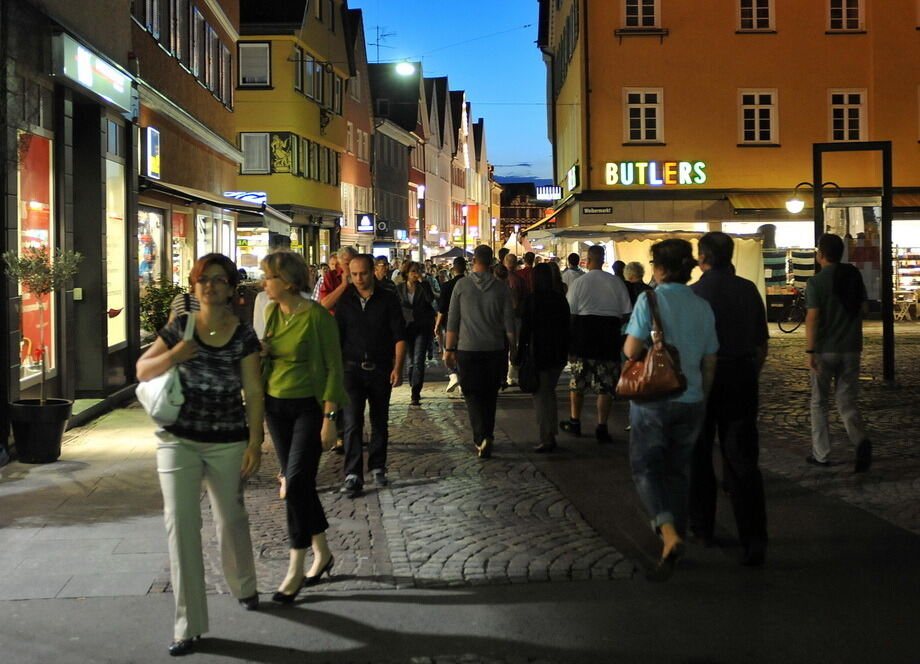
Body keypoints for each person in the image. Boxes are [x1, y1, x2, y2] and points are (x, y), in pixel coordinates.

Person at [136, 254, 263, 656]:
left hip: (227, 440)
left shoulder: (243, 336)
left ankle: (243, 583)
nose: (210, 286)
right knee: (181, 526)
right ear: (194, 287)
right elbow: (142, 370)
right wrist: (174, 355)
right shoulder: (181, 327)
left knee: (232, 518)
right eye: (203, 280)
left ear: (230, 289)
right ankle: (187, 625)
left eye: (218, 280)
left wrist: (255, 442)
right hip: (178, 441)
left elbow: (254, 391)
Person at [623, 239, 718, 582]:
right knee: (679, 470)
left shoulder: (650, 300)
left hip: (654, 399)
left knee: (646, 467)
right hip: (691, 398)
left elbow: (631, 348)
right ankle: (675, 532)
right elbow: (710, 359)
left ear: (660, 268)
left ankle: (668, 533)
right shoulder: (702, 305)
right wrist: (702, 397)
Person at [260, 251, 347, 604]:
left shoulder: (316, 317)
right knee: (298, 484)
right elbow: (268, 351)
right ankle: (322, 551)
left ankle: (296, 567)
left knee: (295, 482)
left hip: (309, 408)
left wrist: (330, 419)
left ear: (289, 282)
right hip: (275, 407)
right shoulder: (271, 313)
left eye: (268, 277)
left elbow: (333, 368)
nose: (264, 282)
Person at [689, 232, 769, 566]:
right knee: (742, 458)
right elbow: (762, 343)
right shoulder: (748, 290)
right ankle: (753, 537)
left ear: (702, 258)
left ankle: (703, 526)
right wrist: (750, 372)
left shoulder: (694, 295)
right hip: (740, 376)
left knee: (700, 455)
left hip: (702, 382)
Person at [335, 254, 406, 496]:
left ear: (372, 271)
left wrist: (398, 367)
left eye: (363, 273)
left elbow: (399, 335)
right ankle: (353, 473)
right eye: (353, 274)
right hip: (351, 368)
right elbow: (338, 337)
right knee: (352, 421)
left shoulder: (387, 299)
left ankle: (377, 466)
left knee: (379, 420)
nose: (359, 279)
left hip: (380, 368)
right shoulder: (345, 300)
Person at [805, 233, 871, 472]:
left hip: (825, 349)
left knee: (819, 403)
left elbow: (812, 317)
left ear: (821, 254)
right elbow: (863, 307)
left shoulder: (816, 282)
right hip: (851, 347)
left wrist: (810, 350)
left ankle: (821, 454)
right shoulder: (853, 275)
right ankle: (860, 440)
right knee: (846, 400)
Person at [444, 244, 516, 458]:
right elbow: (509, 323)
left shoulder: (462, 286)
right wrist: (513, 349)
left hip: (468, 349)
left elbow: (453, 321)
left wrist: (448, 349)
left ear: (473, 260)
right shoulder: (501, 288)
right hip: (494, 348)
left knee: (472, 394)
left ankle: (480, 437)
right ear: (492, 261)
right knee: (490, 394)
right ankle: (489, 434)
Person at [559, 245, 632, 443]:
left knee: (578, 382)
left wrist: (570, 343)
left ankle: (575, 421)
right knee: (606, 385)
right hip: (608, 337)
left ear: (588, 260)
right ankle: (602, 425)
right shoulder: (616, 282)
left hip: (583, 335)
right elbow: (626, 312)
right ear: (603, 259)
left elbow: (570, 314)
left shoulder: (580, 283)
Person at [517, 263, 570, 452]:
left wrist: (518, 355)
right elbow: (567, 326)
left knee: (542, 396)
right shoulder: (559, 299)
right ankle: (550, 434)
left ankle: (547, 437)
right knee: (549, 393)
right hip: (557, 353)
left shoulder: (532, 300)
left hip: (539, 353)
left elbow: (525, 330)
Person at [396, 261, 438, 405]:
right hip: (406, 327)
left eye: (418, 271)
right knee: (410, 360)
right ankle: (413, 383)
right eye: (413, 271)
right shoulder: (399, 289)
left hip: (422, 326)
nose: (415, 274)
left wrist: (424, 282)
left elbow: (430, 299)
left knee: (418, 359)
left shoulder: (423, 286)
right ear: (406, 273)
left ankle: (416, 392)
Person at [435, 257, 467, 392]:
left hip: (450, 322)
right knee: (463, 351)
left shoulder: (447, 286)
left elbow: (442, 308)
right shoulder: (469, 284)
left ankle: (453, 375)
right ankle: (462, 381)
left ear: (453, 269)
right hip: (466, 322)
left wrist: (437, 324)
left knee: (449, 350)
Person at [320, 246, 358, 313]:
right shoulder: (331, 276)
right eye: (347, 264)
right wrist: (343, 285)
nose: (351, 266)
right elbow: (324, 305)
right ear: (339, 265)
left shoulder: (363, 274)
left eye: (354, 262)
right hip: (336, 320)